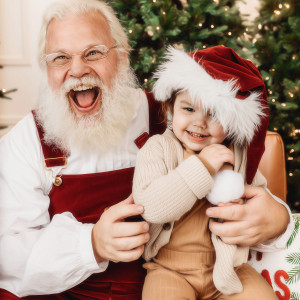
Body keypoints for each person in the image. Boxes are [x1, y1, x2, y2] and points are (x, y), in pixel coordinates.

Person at [0, 0, 293, 298]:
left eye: (93, 53)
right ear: (46, 68)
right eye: (60, 57)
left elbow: (245, 175)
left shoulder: (181, 116)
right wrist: (91, 244)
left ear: (122, 57)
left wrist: (278, 220)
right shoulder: (26, 141)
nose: (77, 69)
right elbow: (7, 256)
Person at [132, 46, 294, 300]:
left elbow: (261, 202)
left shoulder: (238, 155)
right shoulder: (157, 148)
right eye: (189, 109)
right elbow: (150, 207)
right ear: (170, 109)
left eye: (214, 113)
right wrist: (203, 167)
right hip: (169, 270)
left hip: (229, 269)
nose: (200, 122)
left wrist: (274, 213)